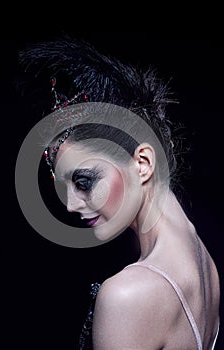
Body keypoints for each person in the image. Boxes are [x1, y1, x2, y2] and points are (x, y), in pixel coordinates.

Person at [18, 36, 220, 350]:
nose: (70, 205)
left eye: (84, 182)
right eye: (64, 187)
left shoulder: (129, 295)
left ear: (142, 164)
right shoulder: (203, 260)